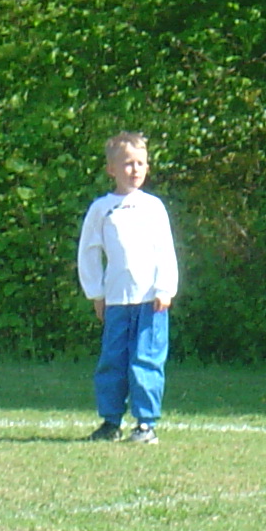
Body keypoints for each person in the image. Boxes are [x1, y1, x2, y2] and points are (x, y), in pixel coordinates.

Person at [75, 131, 178, 443]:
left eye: (141, 163)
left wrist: (165, 288)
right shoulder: (102, 209)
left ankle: (145, 424)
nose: (135, 170)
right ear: (111, 169)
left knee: (145, 360)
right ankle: (110, 422)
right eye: (128, 164)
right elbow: (88, 252)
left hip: (150, 301)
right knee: (113, 361)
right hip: (117, 300)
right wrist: (96, 293)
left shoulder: (153, 207)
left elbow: (165, 250)